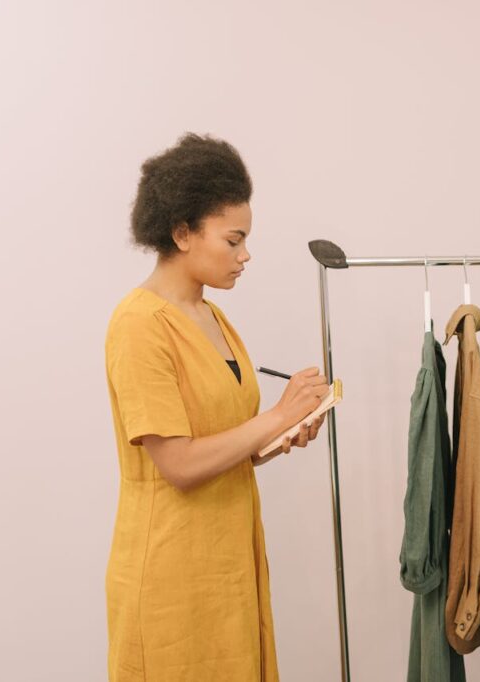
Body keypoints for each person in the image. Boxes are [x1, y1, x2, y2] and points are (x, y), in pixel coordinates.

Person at [104, 133, 329, 681]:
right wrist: (273, 417)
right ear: (181, 232)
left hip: (229, 565)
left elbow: (226, 443)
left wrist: (276, 438)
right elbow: (178, 465)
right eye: (234, 240)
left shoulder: (213, 317)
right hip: (172, 576)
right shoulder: (138, 326)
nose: (245, 255)